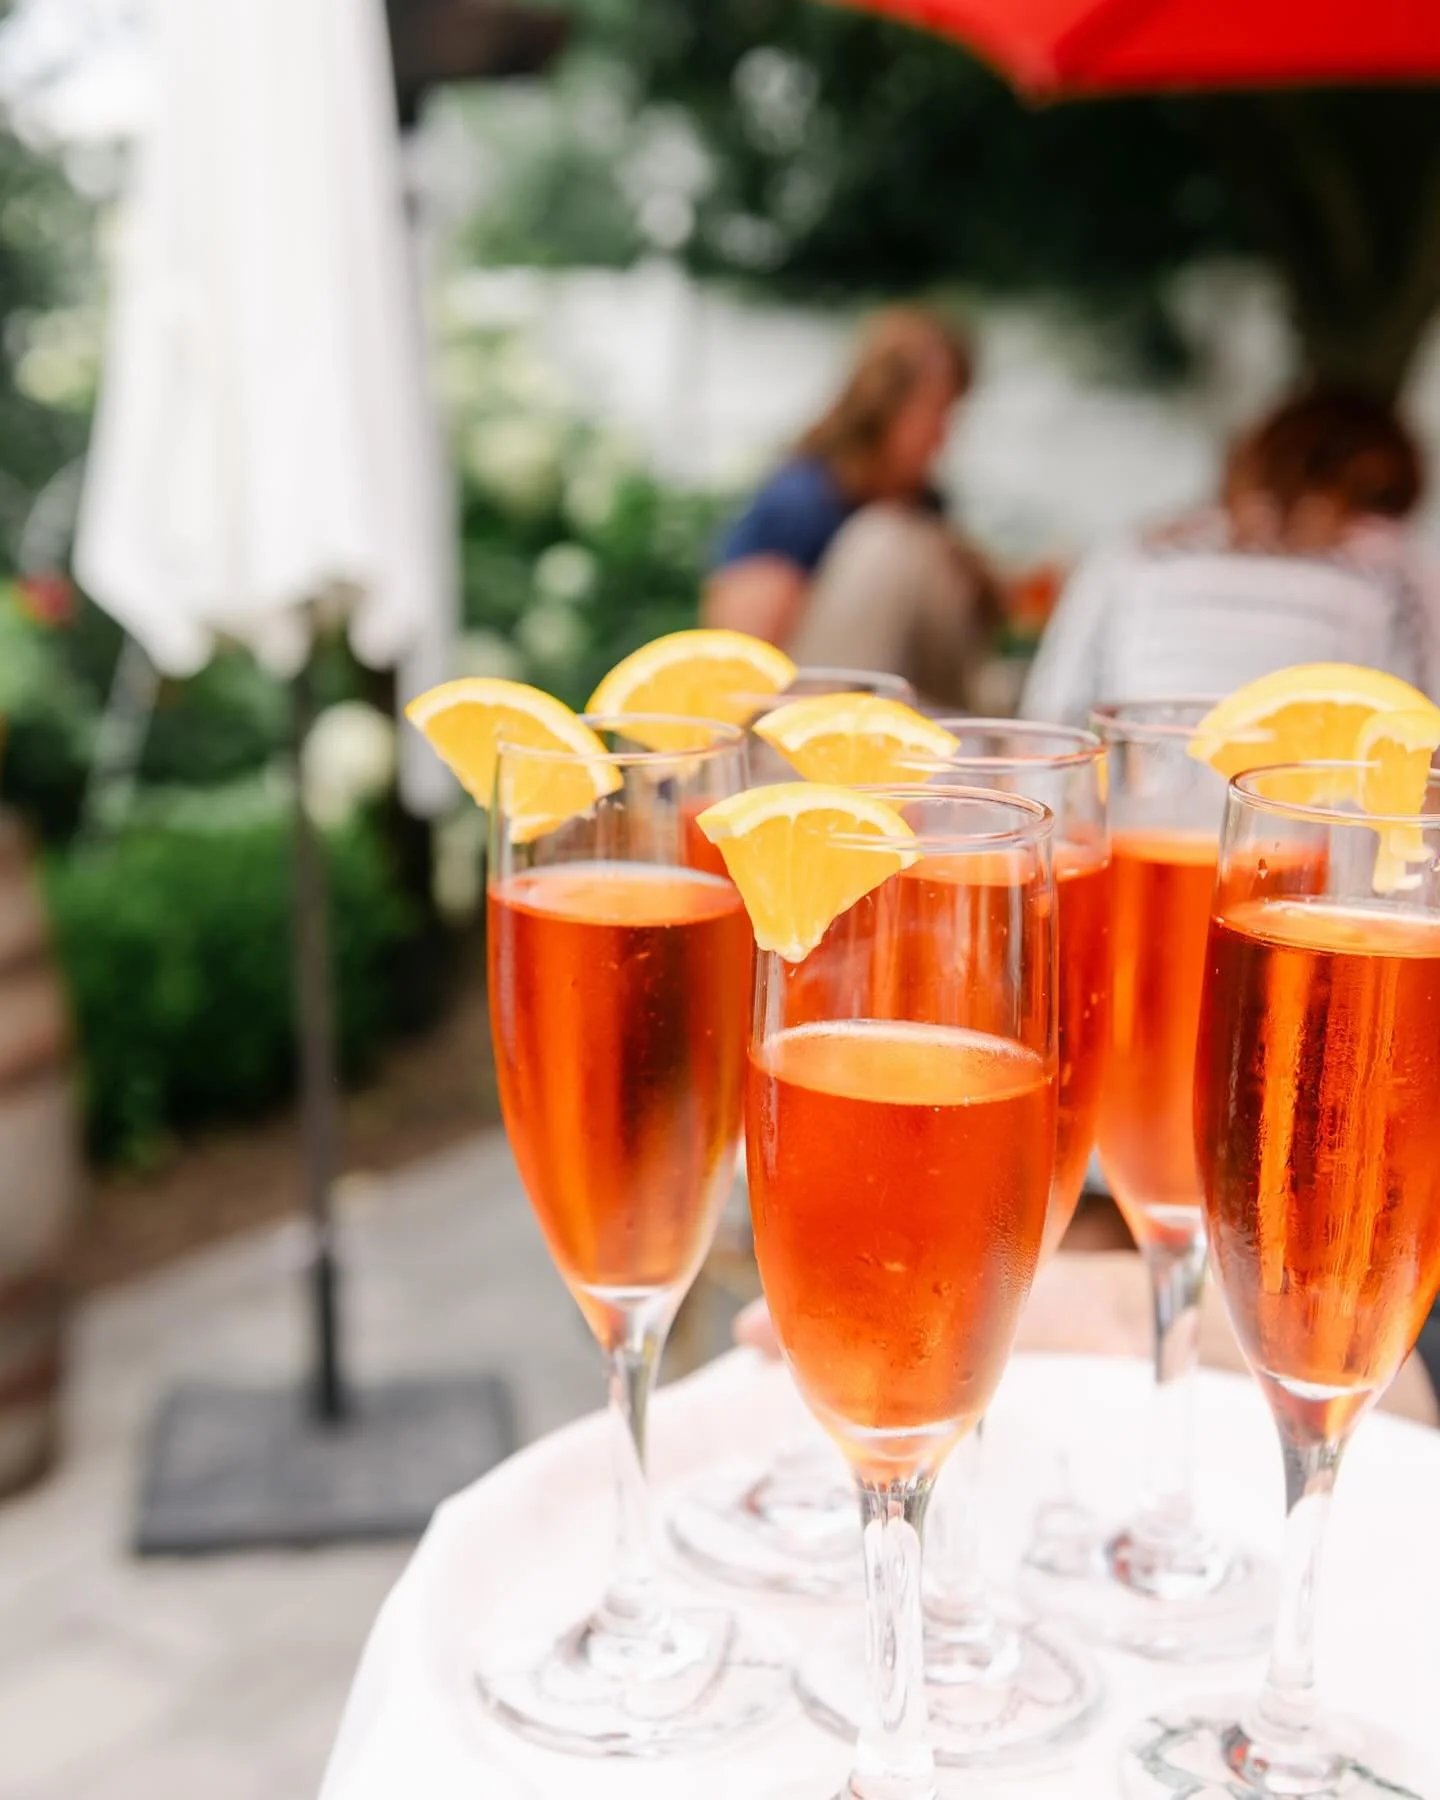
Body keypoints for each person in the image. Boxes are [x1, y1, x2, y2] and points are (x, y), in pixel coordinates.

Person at [1020, 387, 1438, 724]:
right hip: (1317, 818)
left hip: (1139, 813)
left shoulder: (1138, 552)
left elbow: (1049, 720)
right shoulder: (1396, 565)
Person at [704, 306, 1002, 709]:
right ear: (887, 406)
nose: (943, 435)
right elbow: (738, 649)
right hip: (800, 721)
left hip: (907, 709)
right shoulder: (804, 496)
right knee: (886, 539)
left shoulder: (922, 504)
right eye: (937, 413)